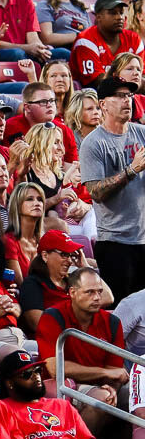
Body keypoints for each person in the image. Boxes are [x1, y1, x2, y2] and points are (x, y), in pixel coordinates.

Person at [36, 267, 127, 433]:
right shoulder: (52, 317)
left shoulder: (112, 322)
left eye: (99, 292)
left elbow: (116, 370)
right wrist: (104, 374)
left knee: (137, 399)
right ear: (72, 292)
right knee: (102, 400)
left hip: (101, 385)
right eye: (90, 292)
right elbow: (55, 368)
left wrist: (112, 387)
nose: (97, 298)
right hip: (63, 384)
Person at [80, 77, 145, 303]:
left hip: (144, 237)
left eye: (129, 95)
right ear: (103, 104)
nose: (127, 101)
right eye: (119, 96)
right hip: (116, 243)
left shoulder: (141, 133)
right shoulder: (94, 143)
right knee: (122, 312)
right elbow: (95, 192)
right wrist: (132, 169)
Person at [0, 349, 98, 439]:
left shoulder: (63, 406)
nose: (36, 376)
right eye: (27, 374)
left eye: (37, 370)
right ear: (10, 383)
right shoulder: (2, 409)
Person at [19, 229, 93, 332]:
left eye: (71, 255)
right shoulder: (32, 284)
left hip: (81, 336)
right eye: (64, 255)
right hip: (57, 342)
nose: (70, 261)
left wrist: (85, 267)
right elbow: (39, 324)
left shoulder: (72, 281)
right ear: (45, 255)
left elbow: (107, 298)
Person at [71, 0, 145, 88]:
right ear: (98, 17)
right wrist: (130, 80)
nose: (119, 17)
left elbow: (142, 75)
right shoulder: (85, 40)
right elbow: (97, 82)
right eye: (113, 13)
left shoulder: (133, 38)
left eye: (121, 13)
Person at [3, 81, 79, 164]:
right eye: (43, 102)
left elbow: (71, 165)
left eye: (52, 100)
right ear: (27, 107)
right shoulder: (10, 127)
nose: (49, 105)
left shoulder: (64, 130)